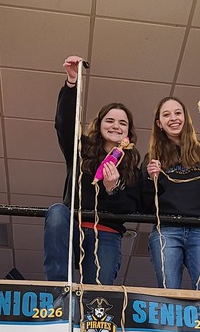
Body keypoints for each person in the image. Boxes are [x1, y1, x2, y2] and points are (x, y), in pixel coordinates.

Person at [44, 55, 141, 284]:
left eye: (122, 123)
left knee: (96, 294)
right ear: (99, 124)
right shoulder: (80, 149)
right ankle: (58, 289)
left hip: (106, 232)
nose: (115, 126)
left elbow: (131, 208)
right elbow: (64, 124)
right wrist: (72, 83)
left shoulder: (132, 168)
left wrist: (112, 189)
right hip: (73, 225)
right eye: (110, 120)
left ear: (128, 132)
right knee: (57, 211)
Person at [143, 96, 200, 290]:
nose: (173, 118)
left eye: (178, 113)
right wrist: (152, 179)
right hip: (166, 230)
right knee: (169, 295)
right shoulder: (152, 159)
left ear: (185, 118)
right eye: (166, 115)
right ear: (159, 123)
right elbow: (143, 204)